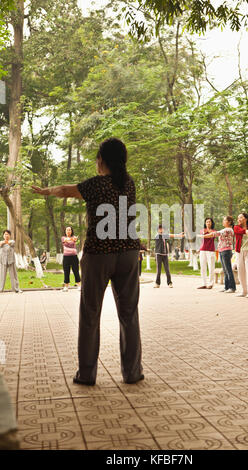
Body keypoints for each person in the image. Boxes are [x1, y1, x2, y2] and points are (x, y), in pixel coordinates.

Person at [32, 137, 143, 386]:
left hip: (99, 254)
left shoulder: (95, 185)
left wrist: (46, 191)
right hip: (127, 252)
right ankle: (133, 372)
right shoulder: (129, 183)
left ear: (101, 160)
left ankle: (87, 374)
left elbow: (65, 190)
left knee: (90, 314)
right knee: (129, 314)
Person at [200, 216, 236, 293]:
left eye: (224, 220)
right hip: (222, 250)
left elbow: (215, 234)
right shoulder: (226, 230)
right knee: (225, 270)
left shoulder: (228, 230)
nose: (223, 221)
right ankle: (226, 287)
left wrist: (203, 236)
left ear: (229, 222)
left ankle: (232, 287)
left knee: (228, 269)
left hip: (226, 251)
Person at [197, 218, 217, 289]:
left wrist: (203, 236)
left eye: (209, 222)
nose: (208, 223)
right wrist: (198, 248)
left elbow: (211, 235)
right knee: (203, 267)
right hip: (203, 250)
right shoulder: (202, 230)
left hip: (210, 250)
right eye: (207, 222)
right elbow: (201, 239)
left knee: (211, 267)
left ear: (212, 223)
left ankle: (211, 283)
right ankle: (204, 283)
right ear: (205, 223)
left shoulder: (214, 231)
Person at [62, 227, 81, 292]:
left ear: (71, 231)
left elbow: (74, 240)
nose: (68, 231)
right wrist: (70, 240)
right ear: (65, 231)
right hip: (66, 257)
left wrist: (71, 239)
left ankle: (79, 285)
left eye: (69, 230)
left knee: (76, 271)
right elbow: (65, 241)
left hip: (74, 257)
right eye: (67, 230)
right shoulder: (63, 238)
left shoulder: (74, 237)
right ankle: (66, 287)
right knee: (66, 272)